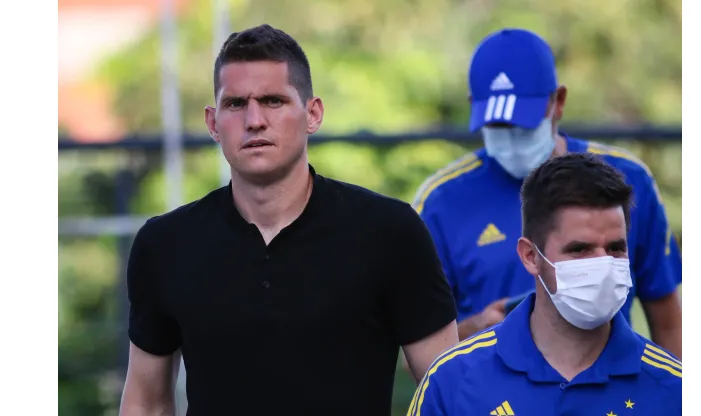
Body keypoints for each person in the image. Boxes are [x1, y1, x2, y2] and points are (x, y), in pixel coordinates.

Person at [119, 24, 459, 416]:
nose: (254, 120)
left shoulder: (389, 232)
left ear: (312, 114)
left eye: (273, 101)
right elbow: (145, 404)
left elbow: (448, 395)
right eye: (235, 104)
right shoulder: (166, 245)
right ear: (213, 123)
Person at [412, 28, 682, 356]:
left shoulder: (628, 178)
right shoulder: (441, 201)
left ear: (558, 102)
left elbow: (667, 319)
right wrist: (474, 331)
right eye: (498, 126)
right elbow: (416, 339)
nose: (511, 137)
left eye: (524, 123)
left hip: (610, 394)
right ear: (474, 108)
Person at [406, 153, 682, 416]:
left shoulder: (674, 389)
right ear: (530, 257)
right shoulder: (452, 382)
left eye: (615, 248)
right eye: (580, 249)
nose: (603, 264)